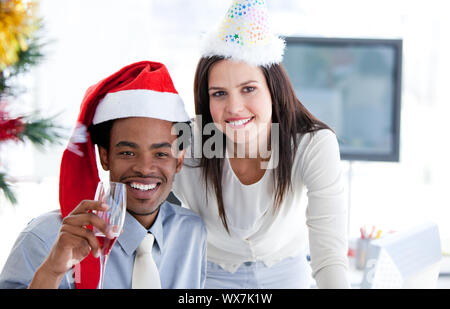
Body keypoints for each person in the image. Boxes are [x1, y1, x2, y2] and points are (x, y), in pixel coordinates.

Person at [172, 0, 350, 288]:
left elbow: (329, 255)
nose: (234, 107)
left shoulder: (313, 144)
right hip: (209, 273)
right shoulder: (189, 140)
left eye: (248, 89)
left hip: (286, 273)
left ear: (274, 89)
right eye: (219, 93)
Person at [0, 61, 207, 289]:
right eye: (127, 152)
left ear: (179, 159)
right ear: (105, 156)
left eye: (160, 153)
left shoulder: (192, 232)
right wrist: (51, 271)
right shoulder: (44, 238)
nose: (145, 168)